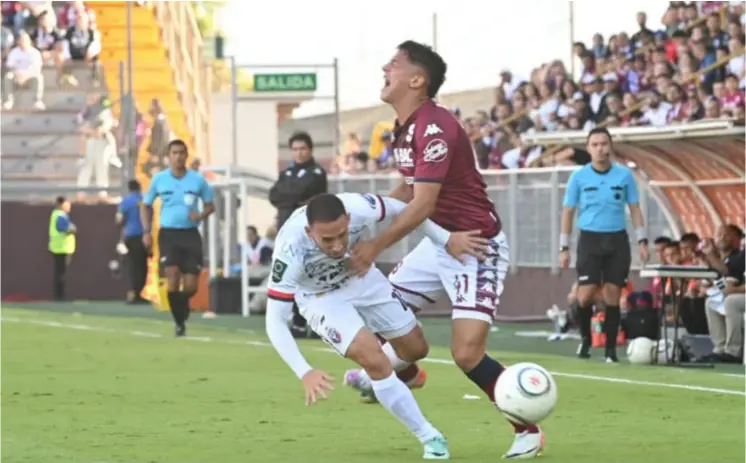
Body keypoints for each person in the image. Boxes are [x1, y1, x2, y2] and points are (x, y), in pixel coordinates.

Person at [345, 41, 542, 459]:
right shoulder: (404, 127)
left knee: (467, 353)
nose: (384, 67)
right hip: (440, 243)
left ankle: (528, 429)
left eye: (393, 64)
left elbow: (421, 204)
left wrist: (374, 246)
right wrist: (367, 214)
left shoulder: (435, 127)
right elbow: (408, 189)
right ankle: (408, 369)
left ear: (417, 80)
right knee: (377, 308)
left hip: (474, 247)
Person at [266, 192, 486, 459]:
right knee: (374, 359)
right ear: (309, 232)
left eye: (342, 235)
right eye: (327, 240)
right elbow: (274, 320)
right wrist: (304, 371)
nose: (337, 246)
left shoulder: (360, 207)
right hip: (320, 298)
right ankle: (431, 438)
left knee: (416, 348)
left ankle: (373, 380)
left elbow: (407, 210)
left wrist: (447, 238)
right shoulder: (290, 249)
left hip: (360, 276)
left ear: (348, 219)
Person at [559, 127, 649, 363]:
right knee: (585, 295)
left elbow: (635, 208)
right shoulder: (579, 177)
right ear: (589, 149)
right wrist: (564, 247)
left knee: (612, 294)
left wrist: (642, 240)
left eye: (604, 144)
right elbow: (568, 211)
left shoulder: (624, 176)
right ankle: (586, 339)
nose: (600, 148)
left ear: (610, 146)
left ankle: (610, 350)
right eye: (595, 144)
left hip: (617, 240)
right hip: (590, 240)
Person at [141, 140, 215, 337]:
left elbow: (210, 205)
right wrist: (146, 231)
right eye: (174, 153)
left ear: (186, 155)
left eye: (182, 152)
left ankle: (183, 307)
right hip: (168, 234)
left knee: (191, 286)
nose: (179, 156)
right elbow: (145, 204)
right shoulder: (159, 179)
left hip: (190, 235)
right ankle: (179, 323)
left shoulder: (197, 180)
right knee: (172, 278)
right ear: (169, 156)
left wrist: (200, 216)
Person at [700, 225, 745, 363]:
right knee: (711, 301)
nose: (721, 238)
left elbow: (728, 276)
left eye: (726, 234)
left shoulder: (737, 255)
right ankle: (720, 349)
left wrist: (735, 290)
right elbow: (726, 276)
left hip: (739, 295)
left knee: (731, 301)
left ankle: (733, 352)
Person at [269, 131, 327, 230]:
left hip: (305, 227)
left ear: (310, 150)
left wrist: (284, 201)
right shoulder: (286, 173)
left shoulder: (316, 173)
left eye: (302, 149)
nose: (299, 153)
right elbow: (273, 195)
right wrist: (290, 201)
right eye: (295, 149)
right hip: (284, 227)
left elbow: (300, 193)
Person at [117, 179, 148, 304]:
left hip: (130, 236)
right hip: (144, 235)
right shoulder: (144, 199)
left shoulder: (125, 201)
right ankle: (140, 293)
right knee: (143, 266)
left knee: (133, 266)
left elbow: (119, 220)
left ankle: (134, 293)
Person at [49, 196, 76, 301]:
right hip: (62, 248)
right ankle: (60, 296)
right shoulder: (60, 215)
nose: (69, 206)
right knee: (61, 274)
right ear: (61, 204)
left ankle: (58, 295)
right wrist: (73, 229)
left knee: (59, 273)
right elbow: (63, 228)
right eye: (67, 204)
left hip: (58, 247)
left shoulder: (55, 215)